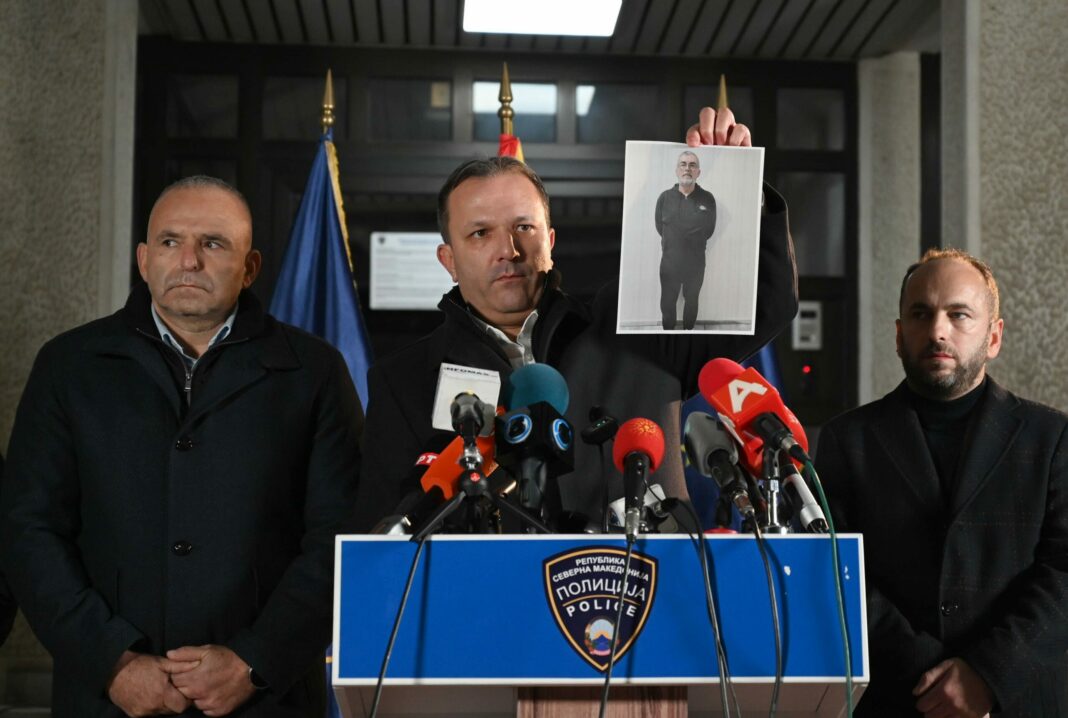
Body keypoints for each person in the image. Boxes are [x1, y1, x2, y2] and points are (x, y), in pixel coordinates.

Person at [0, 176, 362, 716]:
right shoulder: (68, 366)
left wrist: (255, 660)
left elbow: (342, 536)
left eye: (213, 243)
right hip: (108, 699)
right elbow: (28, 530)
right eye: (170, 241)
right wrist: (112, 662)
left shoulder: (314, 371)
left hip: (268, 700)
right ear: (144, 260)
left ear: (250, 267)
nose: (189, 260)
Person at [354, 107, 797, 532]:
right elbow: (379, 540)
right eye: (480, 233)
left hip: (652, 580)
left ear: (550, 242)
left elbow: (768, 303)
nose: (508, 250)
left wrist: (737, 185)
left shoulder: (635, 324)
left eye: (524, 227)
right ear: (448, 260)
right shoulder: (404, 381)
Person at [815, 248, 1068, 717]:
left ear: (994, 337)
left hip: (1018, 699)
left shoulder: (1053, 438)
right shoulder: (846, 441)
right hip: (897, 700)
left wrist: (987, 674)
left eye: (958, 315)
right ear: (898, 336)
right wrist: (930, 677)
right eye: (921, 314)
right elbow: (834, 572)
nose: (937, 331)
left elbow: (1064, 573)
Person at [656, 150, 717, 330]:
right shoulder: (664, 198)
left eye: (692, 165)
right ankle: (668, 334)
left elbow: (710, 229)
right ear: (677, 170)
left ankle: (688, 331)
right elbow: (659, 227)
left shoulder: (708, 198)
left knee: (692, 301)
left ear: (698, 172)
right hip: (670, 263)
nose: (687, 169)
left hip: (695, 264)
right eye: (683, 164)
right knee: (667, 303)